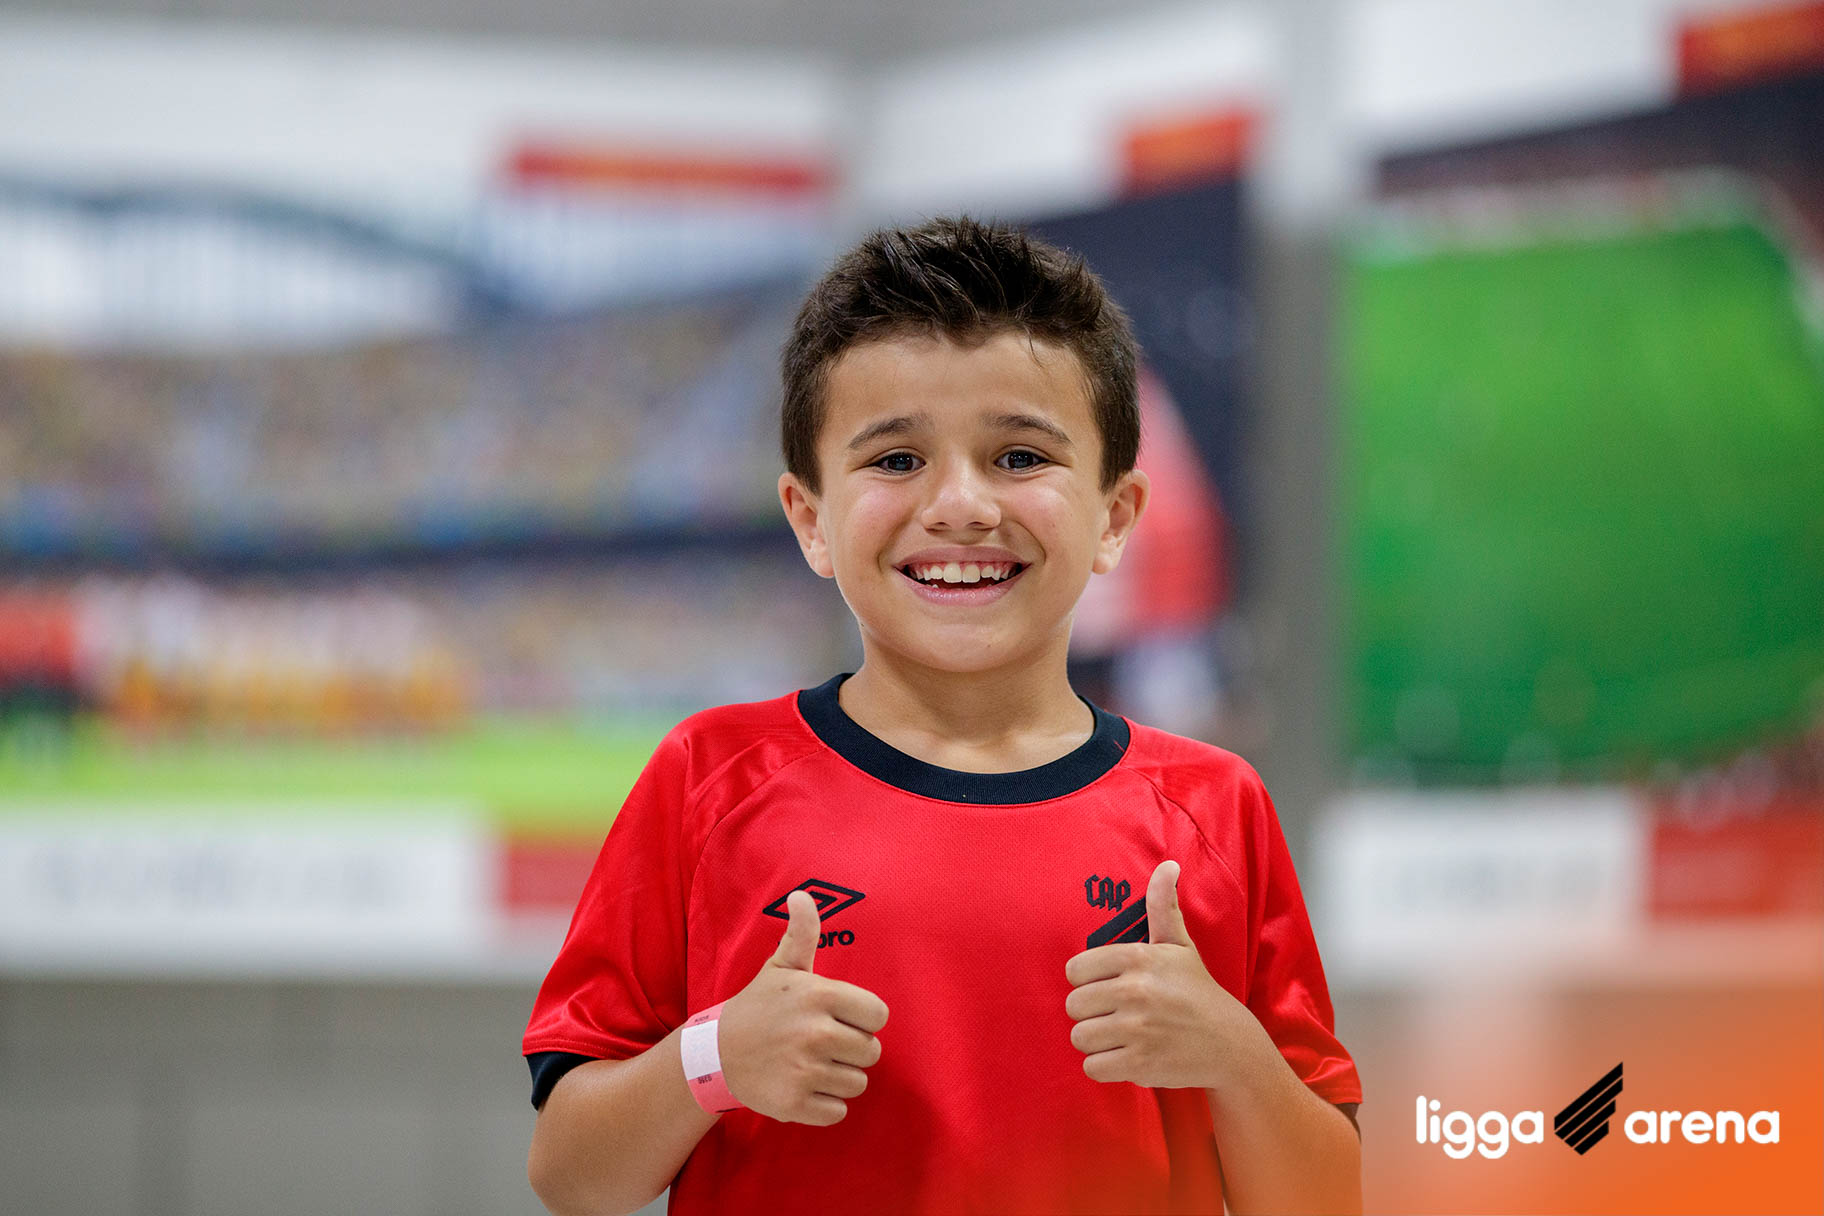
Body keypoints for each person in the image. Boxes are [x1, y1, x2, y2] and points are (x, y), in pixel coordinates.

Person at [521, 216, 1362, 1216]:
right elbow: (571, 1175)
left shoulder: (1213, 807)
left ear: (1115, 518)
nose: (960, 505)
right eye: (895, 460)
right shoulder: (710, 777)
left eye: (1019, 456)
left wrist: (1233, 1056)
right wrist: (715, 1058)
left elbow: (1326, 1196)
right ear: (810, 519)